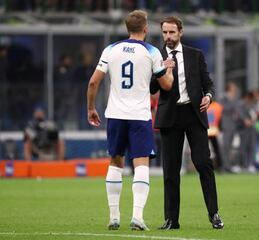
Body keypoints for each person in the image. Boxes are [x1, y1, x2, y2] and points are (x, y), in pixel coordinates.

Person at [86, 10, 174, 231]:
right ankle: (137, 216)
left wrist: (90, 108)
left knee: (115, 163)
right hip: (139, 116)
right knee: (141, 164)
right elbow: (166, 86)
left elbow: (93, 83)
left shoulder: (111, 50)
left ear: (127, 28)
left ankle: (114, 216)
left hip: (115, 114)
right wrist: (168, 69)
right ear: (145, 28)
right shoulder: (152, 52)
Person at [150, 16, 224, 230]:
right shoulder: (156, 56)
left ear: (180, 32)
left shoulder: (195, 55)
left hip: (193, 114)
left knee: (203, 164)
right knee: (170, 171)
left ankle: (214, 214)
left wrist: (209, 96)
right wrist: (162, 71)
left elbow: (208, 84)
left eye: (172, 32)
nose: (168, 37)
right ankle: (171, 220)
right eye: (165, 32)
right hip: (170, 116)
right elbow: (153, 89)